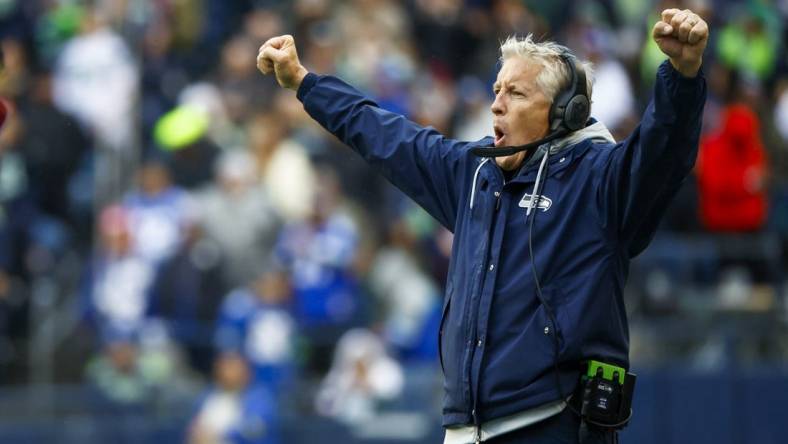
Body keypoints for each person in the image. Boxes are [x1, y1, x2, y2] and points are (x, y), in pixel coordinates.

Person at [257, 7, 708, 444]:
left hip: (553, 423)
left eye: (515, 93)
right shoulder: (473, 173)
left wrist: (681, 77)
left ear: (563, 112)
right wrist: (304, 82)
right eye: (496, 90)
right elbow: (380, 132)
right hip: (466, 429)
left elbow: (662, 153)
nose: (496, 106)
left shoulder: (599, 180)